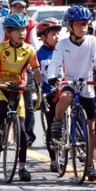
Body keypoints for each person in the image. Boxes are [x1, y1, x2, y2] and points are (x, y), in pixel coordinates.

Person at [48, 6, 96, 181]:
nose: (83, 27)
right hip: (69, 83)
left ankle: (89, 165)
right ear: (69, 26)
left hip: (87, 85)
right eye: (78, 24)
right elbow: (55, 63)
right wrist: (53, 77)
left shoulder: (92, 41)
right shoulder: (63, 44)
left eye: (85, 23)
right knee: (65, 97)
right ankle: (58, 121)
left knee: (91, 126)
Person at [0, 13, 39, 182]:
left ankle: (22, 168)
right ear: (9, 32)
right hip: (2, 87)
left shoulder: (29, 50)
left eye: (23, 29)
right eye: (17, 30)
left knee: (22, 131)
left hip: (20, 89)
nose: (21, 33)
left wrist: (40, 86)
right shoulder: (1, 48)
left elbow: (36, 71)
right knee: (1, 109)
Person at [35, 18, 64, 172]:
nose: (57, 37)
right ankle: (54, 158)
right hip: (50, 94)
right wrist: (47, 89)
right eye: (53, 34)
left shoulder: (64, 50)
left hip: (65, 91)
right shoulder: (39, 55)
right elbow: (38, 77)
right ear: (43, 36)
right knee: (52, 126)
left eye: (58, 34)